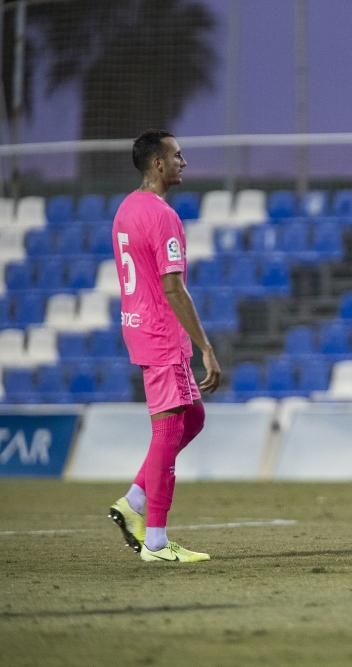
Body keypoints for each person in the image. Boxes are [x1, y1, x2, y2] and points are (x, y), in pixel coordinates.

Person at [107, 130, 222, 563]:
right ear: (157, 164)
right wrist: (205, 346)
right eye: (177, 155)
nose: (184, 162)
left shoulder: (126, 209)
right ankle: (155, 540)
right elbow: (173, 288)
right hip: (161, 332)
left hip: (137, 325)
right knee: (170, 426)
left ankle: (134, 500)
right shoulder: (162, 216)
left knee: (192, 417)